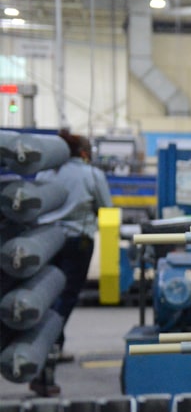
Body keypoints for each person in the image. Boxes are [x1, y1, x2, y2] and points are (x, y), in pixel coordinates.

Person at [36, 130, 114, 357]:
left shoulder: (44, 174)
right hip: (77, 241)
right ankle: (50, 344)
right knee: (67, 295)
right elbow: (106, 209)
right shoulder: (91, 174)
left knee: (47, 294)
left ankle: (50, 342)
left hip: (46, 242)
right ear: (83, 153)